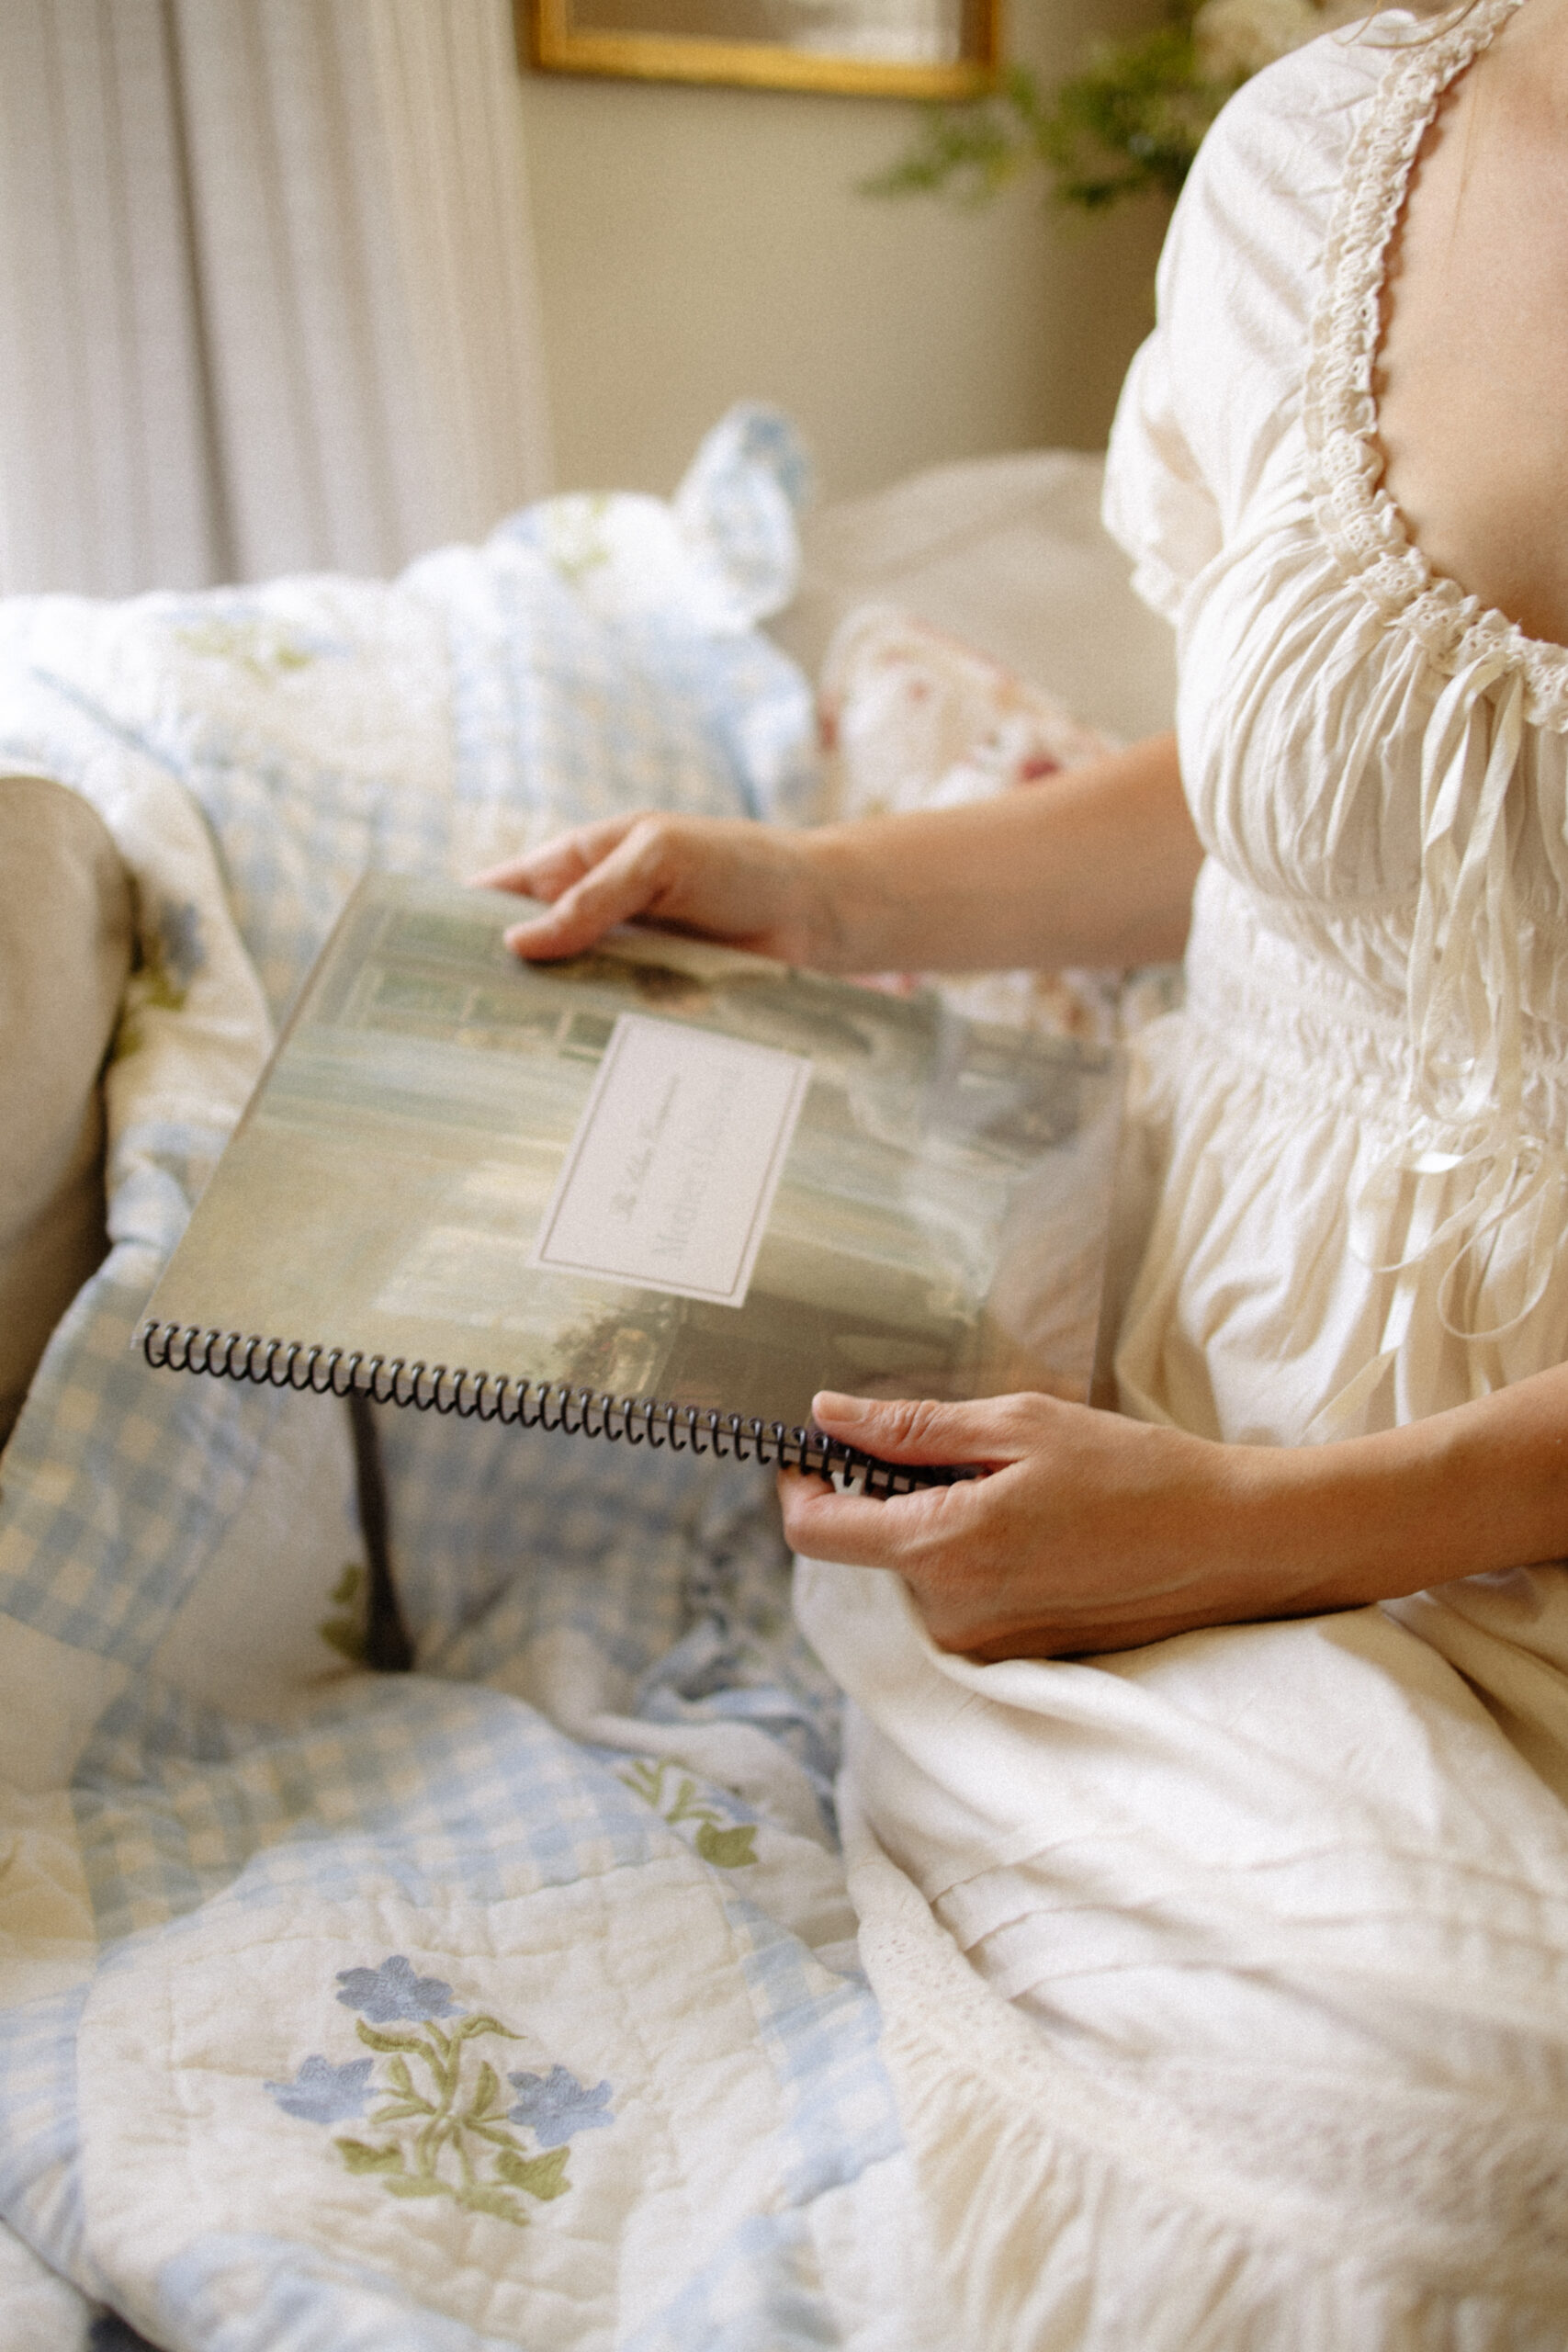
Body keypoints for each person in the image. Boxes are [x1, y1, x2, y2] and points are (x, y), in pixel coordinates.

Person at [476, 0, 1568, 2334]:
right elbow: (1314, 811)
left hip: (1302, 1505)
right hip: (1186, 1389)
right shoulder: (1320, 160)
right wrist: (814, 891)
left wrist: (1239, 1526)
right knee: (1476, 2124)